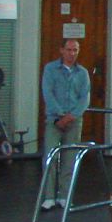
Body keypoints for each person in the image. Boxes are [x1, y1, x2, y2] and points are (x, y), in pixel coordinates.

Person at [41, 38, 91, 210]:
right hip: (54, 120)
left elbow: (85, 98)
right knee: (50, 157)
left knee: (69, 159)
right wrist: (60, 115)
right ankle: (48, 196)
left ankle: (64, 195)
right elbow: (47, 92)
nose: (72, 53)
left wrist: (71, 116)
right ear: (61, 50)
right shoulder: (50, 69)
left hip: (74, 121)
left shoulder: (82, 73)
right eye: (69, 50)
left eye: (75, 50)